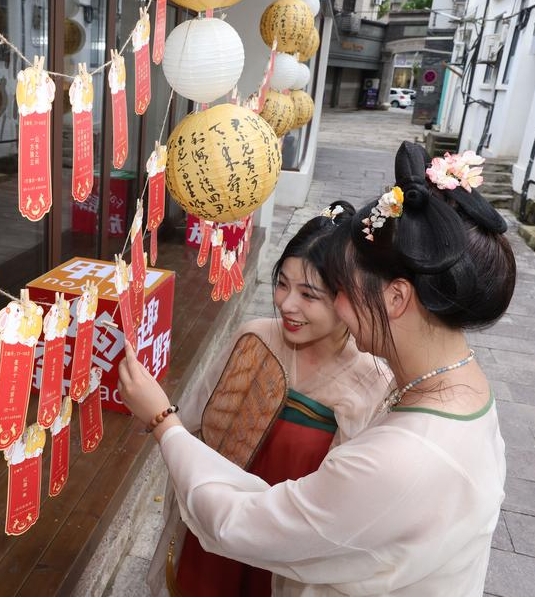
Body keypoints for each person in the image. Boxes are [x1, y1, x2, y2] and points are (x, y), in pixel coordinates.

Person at [120, 141, 516, 596]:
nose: (336, 303)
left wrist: (161, 421)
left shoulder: (403, 459)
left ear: (396, 298)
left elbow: (243, 524)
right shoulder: (465, 392)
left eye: (341, 288)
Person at [161, 201, 393, 596]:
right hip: (216, 533)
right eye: (282, 283)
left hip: (289, 561)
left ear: (347, 300)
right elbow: (197, 427)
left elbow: (347, 512)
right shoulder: (254, 338)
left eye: (308, 294)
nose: (287, 304)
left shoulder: (371, 383)